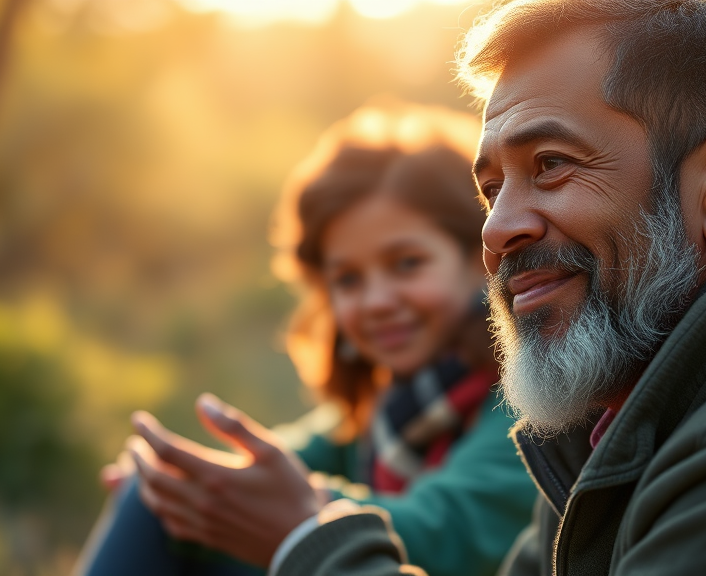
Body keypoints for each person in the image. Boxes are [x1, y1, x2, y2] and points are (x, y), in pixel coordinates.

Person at [260, 1, 706, 575]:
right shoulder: (620, 412)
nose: (495, 231)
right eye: (491, 190)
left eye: (551, 165)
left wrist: (305, 543)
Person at [73, 103, 537, 576]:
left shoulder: (528, 398)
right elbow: (295, 454)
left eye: (407, 263)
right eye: (348, 279)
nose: (376, 300)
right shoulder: (390, 407)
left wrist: (277, 507)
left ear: (477, 257)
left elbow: (444, 534)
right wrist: (187, 482)